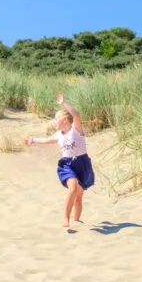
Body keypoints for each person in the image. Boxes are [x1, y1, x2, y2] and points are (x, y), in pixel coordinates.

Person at [24, 94, 95, 231]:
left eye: (55, 119)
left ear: (64, 120)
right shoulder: (58, 135)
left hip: (83, 164)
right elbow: (46, 140)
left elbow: (76, 114)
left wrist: (64, 103)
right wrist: (33, 140)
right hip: (68, 165)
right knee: (73, 188)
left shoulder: (76, 129)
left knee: (79, 196)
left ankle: (77, 221)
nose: (53, 122)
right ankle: (65, 217)